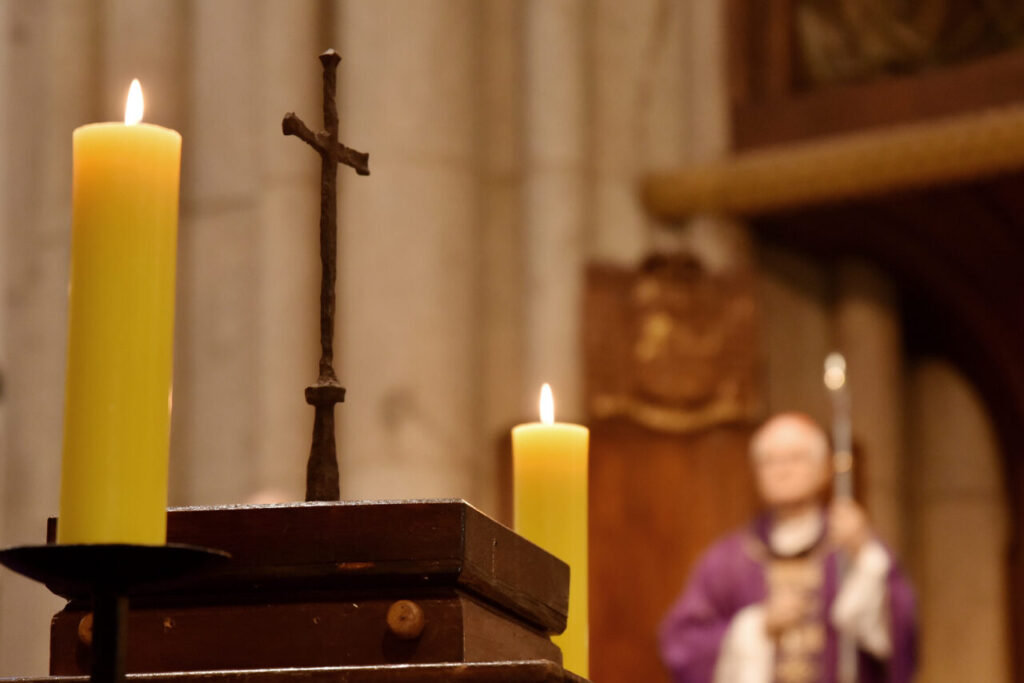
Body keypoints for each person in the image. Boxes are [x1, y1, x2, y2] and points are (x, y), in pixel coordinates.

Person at [658, 413, 916, 683]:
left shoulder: (850, 547)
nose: (782, 471)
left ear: (824, 469)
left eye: (795, 458)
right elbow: (682, 643)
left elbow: (902, 631)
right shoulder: (728, 560)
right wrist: (758, 626)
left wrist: (866, 556)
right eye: (770, 461)